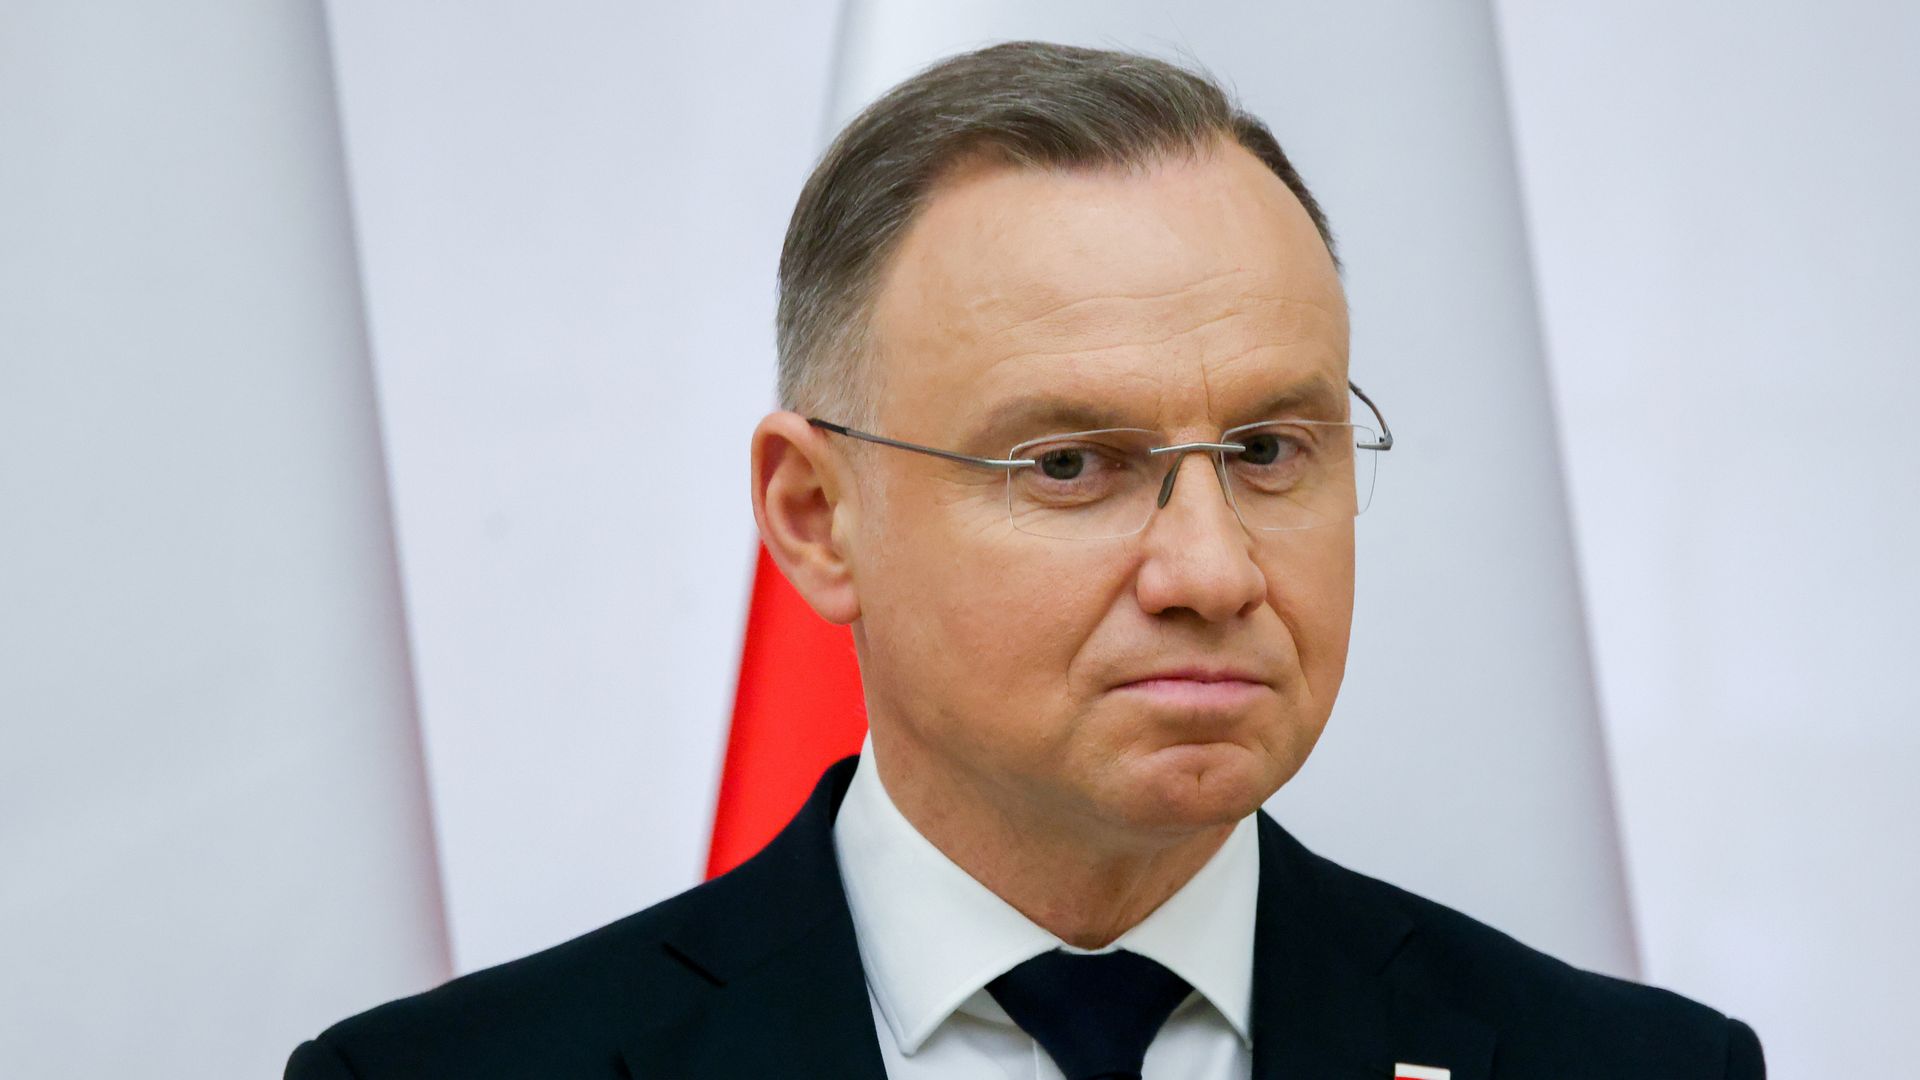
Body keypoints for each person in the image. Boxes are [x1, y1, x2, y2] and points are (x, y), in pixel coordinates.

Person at [286, 40, 1764, 1080]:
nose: (1211, 570)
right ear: (816, 515)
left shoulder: (1633, 1067)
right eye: (1068, 465)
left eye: (1267, 452)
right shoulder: (453, 1075)